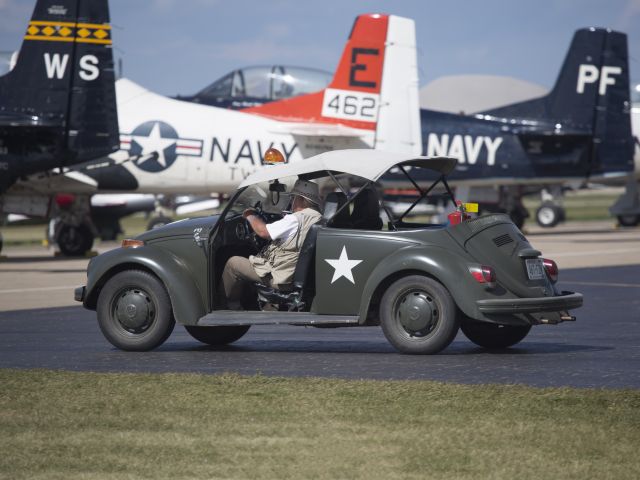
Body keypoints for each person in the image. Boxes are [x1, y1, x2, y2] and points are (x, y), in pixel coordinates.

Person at [221, 179, 323, 309]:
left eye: (294, 198)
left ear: (302, 200)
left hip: (281, 277)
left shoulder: (295, 219)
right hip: (294, 273)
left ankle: (230, 307)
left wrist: (250, 215)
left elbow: (263, 232)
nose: (292, 202)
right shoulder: (317, 216)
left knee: (233, 263)